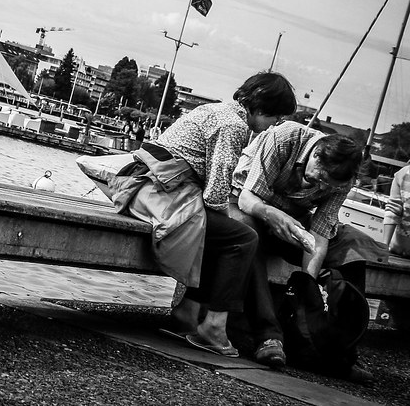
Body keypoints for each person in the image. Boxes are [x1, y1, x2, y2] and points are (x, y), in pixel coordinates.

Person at [107, 71, 296, 357]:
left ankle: (188, 311)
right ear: (260, 106)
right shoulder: (234, 126)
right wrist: (230, 217)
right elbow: (216, 193)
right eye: (276, 117)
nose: (275, 125)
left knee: (223, 231)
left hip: (146, 187)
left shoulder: (216, 109)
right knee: (243, 238)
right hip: (160, 196)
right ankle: (213, 327)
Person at [230, 121, 380, 382]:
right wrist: (272, 216)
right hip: (246, 207)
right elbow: (247, 197)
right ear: (317, 154)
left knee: (352, 248)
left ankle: (336, 350)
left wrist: (306, 290)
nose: (319, 184)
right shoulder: (283, 138)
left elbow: (320, 234)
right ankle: (269, 337)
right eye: (320, 176)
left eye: (328, 183)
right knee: (248, 234)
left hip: (291, 220)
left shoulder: (341, 181)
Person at [383, 160, 410, 257]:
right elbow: (393, 210)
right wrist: (384, 247)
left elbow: (393, 211)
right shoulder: (402, 174)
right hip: (397, 251)